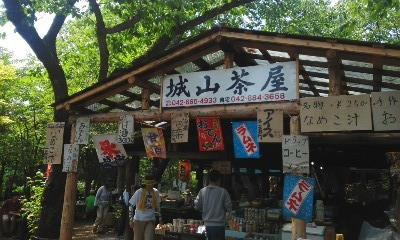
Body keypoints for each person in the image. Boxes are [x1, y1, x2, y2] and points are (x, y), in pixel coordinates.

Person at [195, 169, 232, 240]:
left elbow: (197, 206)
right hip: (219, 226)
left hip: (205, 226)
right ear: (219, 179)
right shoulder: (223, 192)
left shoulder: (202, 191)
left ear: (209, 179)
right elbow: (229, 208)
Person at [129, 175, 161, 240]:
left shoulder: (155, 192)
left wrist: (160, 219)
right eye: (148, 183)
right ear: (145, 183)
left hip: (150, 220)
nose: (150, 185)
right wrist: (130, 219)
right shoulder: (139, 192)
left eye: (152, 183)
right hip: (138, 220)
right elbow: (131, 205)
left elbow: (158, 206)